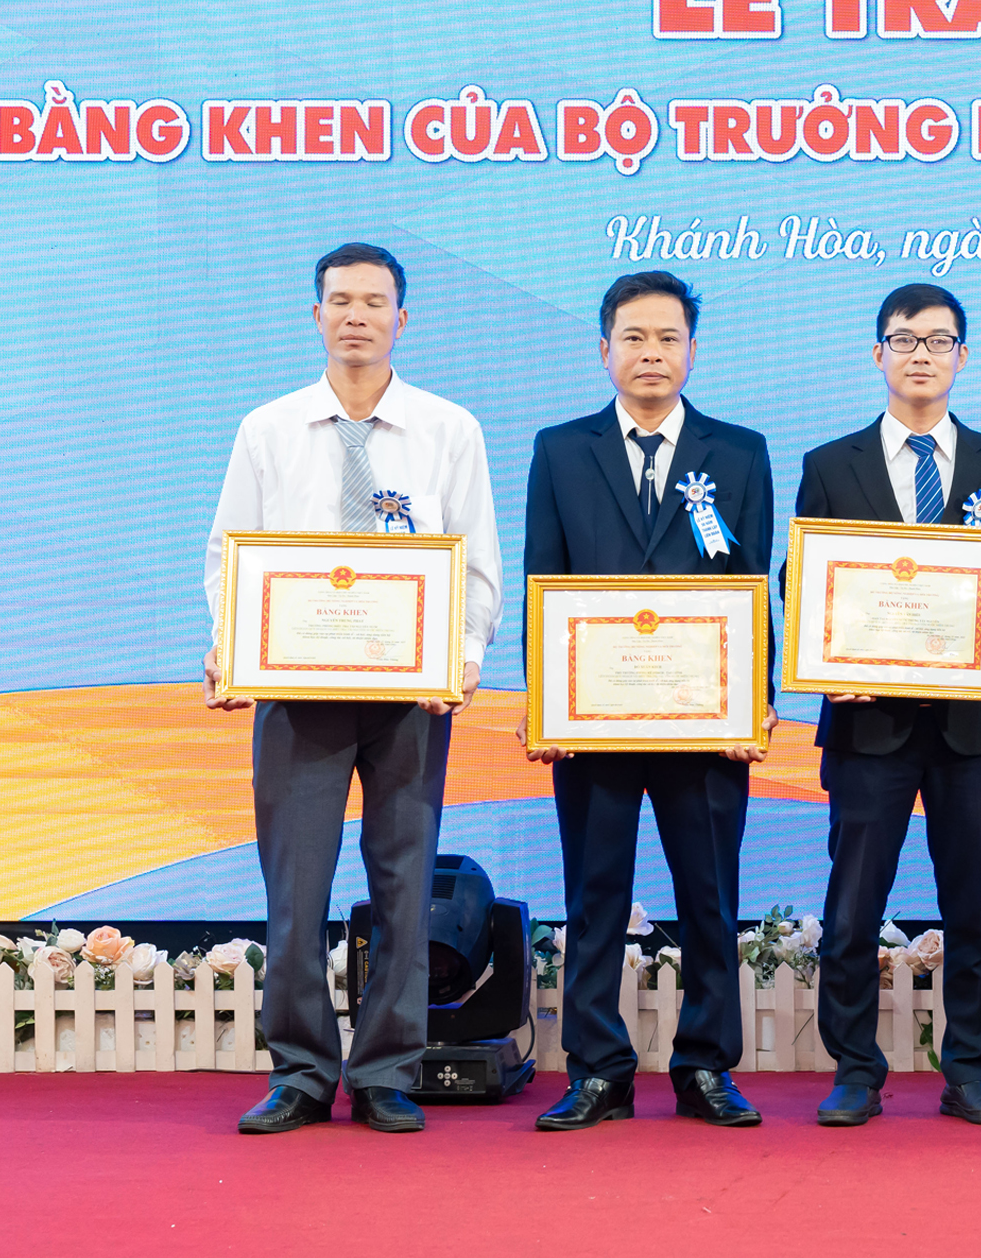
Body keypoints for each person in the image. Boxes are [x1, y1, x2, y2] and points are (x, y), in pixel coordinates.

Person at [203, 242, 502, 1135]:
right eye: (341, 301)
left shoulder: (449, 429)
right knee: (296, 889)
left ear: (401, 319)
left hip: (412, 695)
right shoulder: (268, 429)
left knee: (406, 884)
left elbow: (475, 562)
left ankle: (385, 1072)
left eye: (375, 302)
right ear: (317, 315)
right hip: (297, 696)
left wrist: (464, 657)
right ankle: (299, 1073)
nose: (357, 316)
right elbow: (228, 556)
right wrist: (232, 648)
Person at [521, 270, 777, 1132]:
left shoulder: (739, 452)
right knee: (596, 897)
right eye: (634, 337)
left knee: (709, 897)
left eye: (668, 338)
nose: (652, 353)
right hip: (592, 721)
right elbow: (545, 580)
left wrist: (755, 701)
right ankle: (598, 1070)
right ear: (605, 350)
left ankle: (706, 1067)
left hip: (707, 722)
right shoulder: (562, 450)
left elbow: (751, 586)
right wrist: (546, 703)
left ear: (692, 352)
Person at [794, 283, 981, 1127]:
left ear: (962, 357)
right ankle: (854, 1072)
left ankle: (970, 1070)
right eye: (904, 339)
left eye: (939, 341)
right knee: (853, 908)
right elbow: (804, 576)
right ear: (878, 354)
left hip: (971, 725)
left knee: (973, 904)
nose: (921, 355)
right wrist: (822, 653)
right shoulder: (831, 464)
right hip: (867, 720)